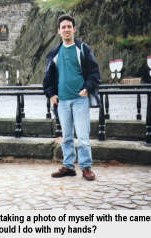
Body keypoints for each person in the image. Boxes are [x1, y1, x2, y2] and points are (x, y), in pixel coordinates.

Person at [43, 15, 101, 181]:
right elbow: (48, 78)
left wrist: (87, 88)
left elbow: (95, 73)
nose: (66, 29)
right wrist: (51, 94)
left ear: (74, 29)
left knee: (83, 136)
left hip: (80, 100)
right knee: (67, 136)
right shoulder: (54, 53)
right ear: (58, 31)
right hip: (62, 101)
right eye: (63, 27)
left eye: (69, 26)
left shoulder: (82, 49)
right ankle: (68, 166)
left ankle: (86, 167)